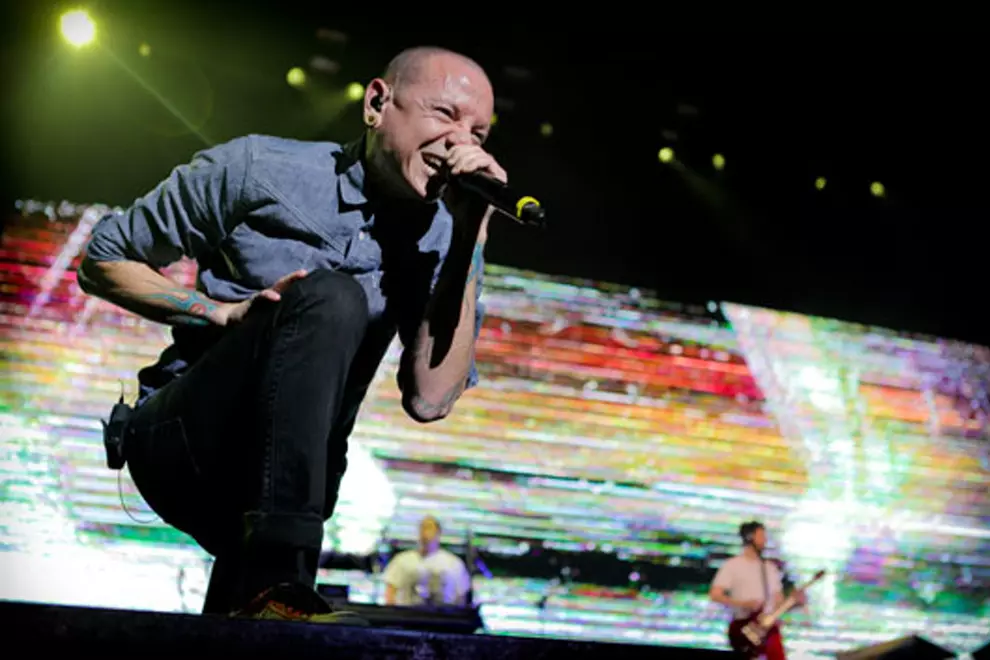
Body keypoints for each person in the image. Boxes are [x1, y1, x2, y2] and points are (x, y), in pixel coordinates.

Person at [77, 45, 503, 621]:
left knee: (249, 627)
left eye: (479, 132)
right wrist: (219, 314)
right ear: (377, 104)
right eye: (444, 115)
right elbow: (103, 259)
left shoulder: (441, 240)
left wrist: (470, 236)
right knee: (332, 296)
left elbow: (430, 398)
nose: (463, 143)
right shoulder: (261, 169)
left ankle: (271, 596)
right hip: (184, 442)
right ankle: (282, 580)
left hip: (286, 480)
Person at [709, 521, 807, 660]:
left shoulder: (769, 568)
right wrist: (744, 604)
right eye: (761, 536)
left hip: (768, 627)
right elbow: (715, 594)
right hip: (744, 627)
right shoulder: (733, 565)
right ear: (749, 537)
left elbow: (777, 602)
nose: (765, 540)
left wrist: (794, 602)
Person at [382, 515, 471, 607]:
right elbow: (390, 592)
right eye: (422, 528)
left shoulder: (453, 563)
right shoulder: (401, 560)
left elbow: (461, 597)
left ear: (438, 532)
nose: (425, 532)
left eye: (429, 528)